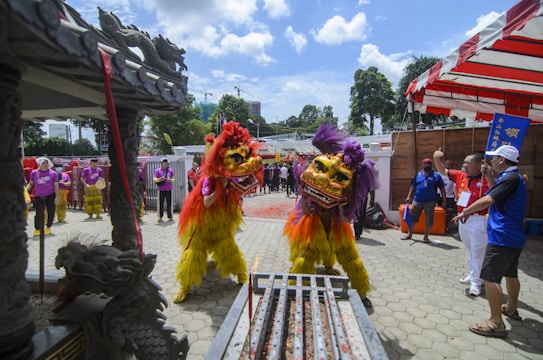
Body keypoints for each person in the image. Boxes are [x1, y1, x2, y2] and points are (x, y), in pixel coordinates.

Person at [452, 145, 526, 338]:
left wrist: (465, 212)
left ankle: (495, 322)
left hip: (502, 236)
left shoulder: (510, 178)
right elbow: (496, 190)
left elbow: (489, 198)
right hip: (513, 235)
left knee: (490, 277)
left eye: (494, 158)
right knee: (511, 274)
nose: (491, 161)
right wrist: (489, 176)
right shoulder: (511, 178)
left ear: (502, 160)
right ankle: (510, 308)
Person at [434, 149, 489, 296]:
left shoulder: (487, 179)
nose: (464, 165)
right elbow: (443, 171)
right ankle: (474, 275)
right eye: (464, 162)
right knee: (471, 251)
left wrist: (488, 174)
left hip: (478, 220)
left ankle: (477, 283)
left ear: (480, 165)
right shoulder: (461, 175)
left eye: (468, 162)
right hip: (462, 218)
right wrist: (436, 159)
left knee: (478, 252)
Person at [402, 158, 446, 242]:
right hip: (417, 200)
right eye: (425, 163)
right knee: (413, 218)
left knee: (429, 219)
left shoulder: (436, 176)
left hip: (430, 201)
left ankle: (426, 236)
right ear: (422, 165)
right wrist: (408, 196)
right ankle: (409, 234)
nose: (427, 165)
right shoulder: (418, 174)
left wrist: (444, 201)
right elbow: (413, 186)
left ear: (431, 165)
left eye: (429, 163)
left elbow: (442, 189)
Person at [26, 157, 58, 236]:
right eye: (43, 163)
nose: (45, 165)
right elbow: (31, 184)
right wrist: (25, 192)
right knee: (39, 213)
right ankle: (37, 229)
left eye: (47, 163)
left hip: (50, 195)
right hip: (39, 196)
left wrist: (57, 197)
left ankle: (48, 227)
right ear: (39, 164)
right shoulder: (34, 173)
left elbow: (56, 186)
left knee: (51, 212)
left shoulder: (53, 173)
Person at [353, 160, 380, 240]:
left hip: (356, 197)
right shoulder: (367, 176)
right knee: (360, 215)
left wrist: (372, 199)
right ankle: (358, 233)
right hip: (362, 198)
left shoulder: (356, 174)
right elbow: (372, 188)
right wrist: (372, 200)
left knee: (357, 215)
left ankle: (357, 233)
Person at [154, 158, 175, 222]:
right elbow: (154, 179)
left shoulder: (170, 170)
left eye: (167, 163)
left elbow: (173, 179)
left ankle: (170, 217)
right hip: (161, 190)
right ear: (161, 163)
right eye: (164, 163)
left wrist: (170, 180)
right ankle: (160, 217)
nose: (166, 164)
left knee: (169, 203)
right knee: (161, 203)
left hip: (169, 189)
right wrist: (160, 179)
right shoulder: (157, 170)